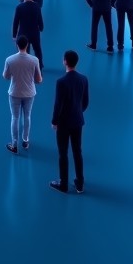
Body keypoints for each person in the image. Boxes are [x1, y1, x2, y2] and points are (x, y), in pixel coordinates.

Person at [50, 50, 89, 194]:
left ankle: (63, 183)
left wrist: (54, 121)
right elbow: (85, 101)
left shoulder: (61, 82)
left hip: (64, 123)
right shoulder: (83, 79)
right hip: (78, 121)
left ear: (65, 61)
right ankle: (80, 183)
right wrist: (77, 111)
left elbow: (58, 104)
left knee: (63, 153)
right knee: (77, 151)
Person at [3, 34, 42, 154]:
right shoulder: (34, 60)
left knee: (15, 117)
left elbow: (6, 76)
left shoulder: (9, 60)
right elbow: (39, 79)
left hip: (14, 92)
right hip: (29, 93)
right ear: (27, 45)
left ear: (17, 45)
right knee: (27, 116)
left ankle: (14, 144)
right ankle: (25, 140)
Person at [11, 0, 44, 69]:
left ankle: (26, 65)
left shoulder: (19, 7)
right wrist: (41, 27)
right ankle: (40, 64)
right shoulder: (37, 6)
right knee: (37, 50)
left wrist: (14, 35)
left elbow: (16, 22)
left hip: (23, 33)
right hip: (35, 33)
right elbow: (40, 19)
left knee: (25, 51)